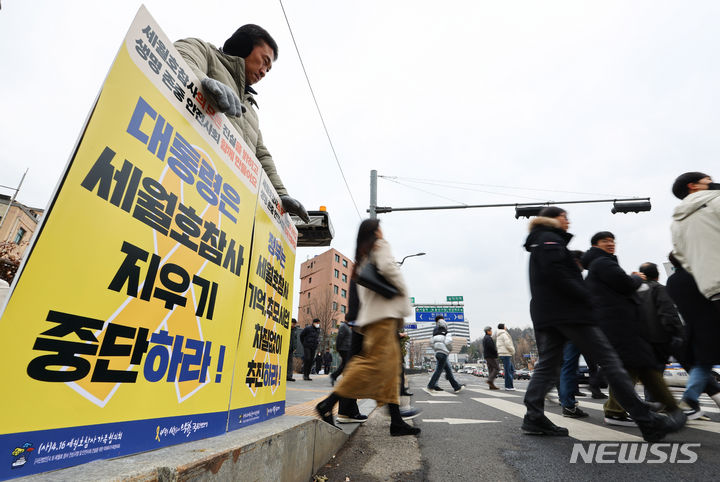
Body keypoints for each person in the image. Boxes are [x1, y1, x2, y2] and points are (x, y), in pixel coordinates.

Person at [521, 206, 684, 442]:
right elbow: (558, 275)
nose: (568, 222)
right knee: (611, 362)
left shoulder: (540, 240)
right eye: (565, 218)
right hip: (569, 312)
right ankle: (646, 421)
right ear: (553, 219)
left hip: (550, 313)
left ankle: (533, 416)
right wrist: (586, 297)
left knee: (548, 365)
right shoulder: (549, 239)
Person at [174, 25, 309, 222]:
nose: (264, 72)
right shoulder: (207, 53)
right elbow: (181, 56)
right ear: (243, 45)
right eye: (264, 62)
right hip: (187, 177)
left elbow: (261, 154)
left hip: (226, 203)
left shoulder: (251, 110)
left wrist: (281, 194)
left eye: (268, 70)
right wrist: (204, 81)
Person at [315, 219, 420, 436]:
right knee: (370, 365)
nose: (382, 230)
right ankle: (328, 403)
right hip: (383, 319)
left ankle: (397, 421)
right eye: (380, 227)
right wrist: (402, 292)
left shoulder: (362, 258)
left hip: (374, 320)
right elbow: (390, 270)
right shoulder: (379, 246)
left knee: (390, 370)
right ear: (374, 231)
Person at [582, 232, 683, 426]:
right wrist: (635, 278)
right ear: (595, 244)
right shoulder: (604, 264)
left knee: (630, 369)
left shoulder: (596, 266)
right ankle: (668, 411)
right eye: (605, 241)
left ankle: (629, 409)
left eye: (612, 240)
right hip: (622, 326)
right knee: (640, 369)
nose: (611, 244)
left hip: (616, 326)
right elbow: (626, 285)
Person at [666, 253, 720, 418]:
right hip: (713, 323)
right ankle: (689, 398)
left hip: (692, 328)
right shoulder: (697, 274)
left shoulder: (671, 282)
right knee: (702, 366)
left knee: (702, 365)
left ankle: (689, 399)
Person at [637, 261, 685, 403]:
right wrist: (677, 333)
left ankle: (651, 402)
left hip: (641, 340)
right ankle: (654, 404)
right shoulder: (659, 289)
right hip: (659, 339)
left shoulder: (635, 291)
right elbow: (669, 314)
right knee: (656, 372)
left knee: (650, 373)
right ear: (657, 276)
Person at [671, 172, 720, 307]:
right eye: (708, 179)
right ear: (693, 186)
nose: (712, 182)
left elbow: (685, 261)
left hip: (713, 289)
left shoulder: (676, 224)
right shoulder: (715, 201)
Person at [427, 318, 465, 392]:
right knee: (439, 371)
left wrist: (436, 349)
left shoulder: (435, 335)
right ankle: (430, 385)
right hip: (444, 353)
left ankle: (456, 387)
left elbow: (431, 343)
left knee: (448, 370)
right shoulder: (447, 333)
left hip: (437, 353)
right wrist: (449, 349)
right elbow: (448, 342)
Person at [330, 319, 352, 386]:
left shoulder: (347, 327)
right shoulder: (343, 326)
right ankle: (334, 376)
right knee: (346, 364)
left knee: (345, 364)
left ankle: (334, 376)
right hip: (343, 348)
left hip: (347, 348)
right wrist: (337, 348)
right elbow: (339, 338)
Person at [496, 323, 516, 391]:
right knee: (508, 371)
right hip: (506, 354)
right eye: (505, 326)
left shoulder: (499, 335)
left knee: (511, 370)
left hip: (503, 354)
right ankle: (509, 386)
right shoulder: (504, 334)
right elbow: (508, 344)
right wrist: (513, 350)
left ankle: (508, 385)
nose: (506, 327)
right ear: (503, 327)